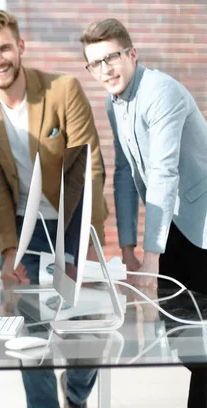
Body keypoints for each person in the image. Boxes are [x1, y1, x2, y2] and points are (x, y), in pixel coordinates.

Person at [0, 10, 108, 408]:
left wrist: (80, 249)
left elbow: (87, 169)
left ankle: (76, 394)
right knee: (32, 334)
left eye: (5, 47)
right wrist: (10, 250)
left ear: (20, 47)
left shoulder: (63, 89)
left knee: (87, 326)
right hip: (23, 221)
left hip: (73, 216)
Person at [80, 18, 207, 408]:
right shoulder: (112, 101)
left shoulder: (161, 92)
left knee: (202, 348)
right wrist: (131, 247)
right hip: (169, 227)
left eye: (111, 58)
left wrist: (151, 257)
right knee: (184, 342)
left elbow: (163, 173)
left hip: (202, 227)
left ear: (132, 54)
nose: (104, 70)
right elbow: (123, 171)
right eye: (95, 64)